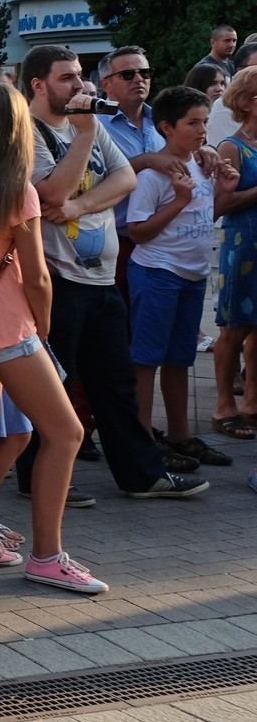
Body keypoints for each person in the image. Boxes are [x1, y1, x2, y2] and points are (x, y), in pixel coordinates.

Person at [14, 45, 207, 501]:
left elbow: (125, 179)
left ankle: (141, 475)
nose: (79, 85)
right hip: (56, 277)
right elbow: (51, 192)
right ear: (38, 84)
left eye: (79, 75)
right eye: (66, 78)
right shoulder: (28, 132)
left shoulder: (89, 125)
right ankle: (36, 479)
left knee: (116, 384)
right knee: (53, 384)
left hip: (100, 278)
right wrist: (83, 138)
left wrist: (80, 205)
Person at [0, 81, 105, 591]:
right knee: (66, 433)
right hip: (9, 328)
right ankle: (48, 556)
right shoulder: (17, 190)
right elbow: (37, 277)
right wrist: (43, 328)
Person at [124, 86, 226, 464]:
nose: (202, 130)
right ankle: (143, 442)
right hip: (158, 272)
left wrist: (224, 189)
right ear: (167, 127)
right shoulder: (154, 175)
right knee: (146, 358)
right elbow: (137, 231)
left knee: (179, 358)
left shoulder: (201, 164)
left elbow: (204, 216)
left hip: (192, 275)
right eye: (192, 123)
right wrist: (180, 200)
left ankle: (181, 436)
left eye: (204, 122)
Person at [213, 65, 257, 437]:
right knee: (233, 328)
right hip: (243, 246)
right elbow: (222, 204)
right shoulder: (232, 146)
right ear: (249, 102)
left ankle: (252, 403)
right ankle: (224, 405)